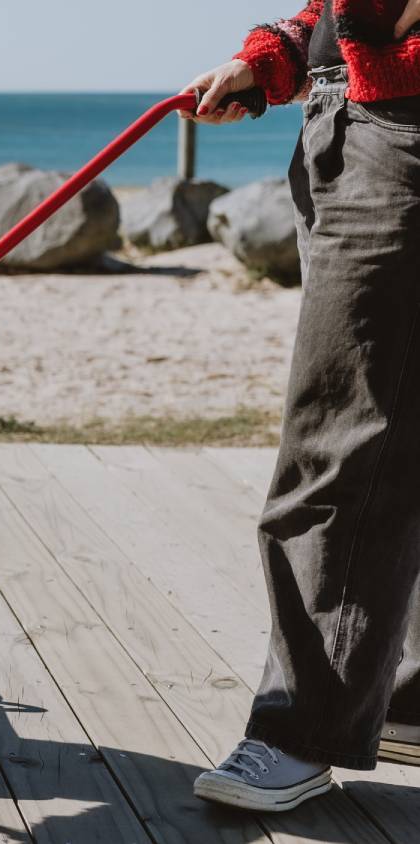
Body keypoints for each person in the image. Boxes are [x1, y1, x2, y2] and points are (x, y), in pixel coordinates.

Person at [180, 0, 420, 813]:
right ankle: (404, 699)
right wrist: (275, 59)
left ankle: (300, 729)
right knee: (395, 424)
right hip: (342, 117)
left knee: (339, 438)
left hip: (397, 125)